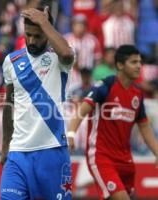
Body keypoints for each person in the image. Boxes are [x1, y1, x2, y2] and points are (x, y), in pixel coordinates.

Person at [0, 6, 75, 200]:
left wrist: (44, 22)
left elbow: (67, 54)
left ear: (47, 31)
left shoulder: (58, 57)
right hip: (18, 152)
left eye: (38, 36)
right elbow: (9, 105)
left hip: (51, 150)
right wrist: (5, 146)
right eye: (28, 35)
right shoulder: (11, 61)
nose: (32, 41)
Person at [67, 45, 158, 200]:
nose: (139, 66)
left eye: (140, 62)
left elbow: (144, 125)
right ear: (120, 65)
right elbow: (82, 110)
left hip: (125, 159)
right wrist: (70, 133)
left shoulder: (137, 94)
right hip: (101, 156)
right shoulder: (106, 86)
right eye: (134, 62)